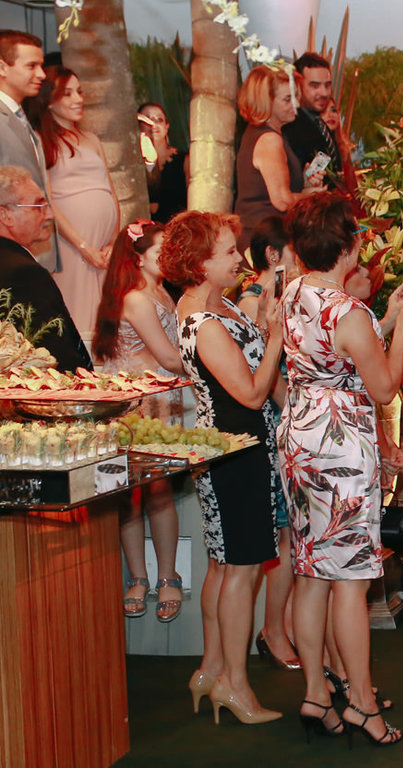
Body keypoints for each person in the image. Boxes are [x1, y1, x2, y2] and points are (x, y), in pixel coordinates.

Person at [280, 192, 403, 745]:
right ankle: (362, 703)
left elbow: (338, 353)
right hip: (340, 445)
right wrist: (402, 328)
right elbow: (384, 385)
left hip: (300, 434)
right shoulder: (349, 310)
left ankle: (317, 693)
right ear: (347, 246)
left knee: (312, 570)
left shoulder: (293, 291)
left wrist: (383, 320)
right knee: (352, 578)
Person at [161, 210, 283, 725]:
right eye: (229, 251)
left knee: (224, 565)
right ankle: (234, 684)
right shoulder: (203, 321)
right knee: (241, 569)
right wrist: (275, 335)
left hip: (236, 448)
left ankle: (211, 670)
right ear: (200, 263)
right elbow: (252, 394)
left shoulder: (217, 304)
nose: (239, 257)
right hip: (236, 452)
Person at [93, 219, 185, 623]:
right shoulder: (136, 298)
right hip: (137, 407)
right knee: (129, 494)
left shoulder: (161, 290)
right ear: (138, 257)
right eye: (162, 250)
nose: (170, 257)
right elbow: (169, 358)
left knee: (159, 491)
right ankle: (138, 576)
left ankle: (168, 576)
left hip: (162, 402)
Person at [234, 216, 301, 672]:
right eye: (294, 251)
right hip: (273, 421)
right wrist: (297, 409)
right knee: (283, 536)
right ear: (273, 255)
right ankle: (273, 630)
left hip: (286, 417)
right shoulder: (252, 300)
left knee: (291, 535)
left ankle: (284, 625)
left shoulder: (281, 296)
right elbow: (263, 371)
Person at [26, 66, 119, 343]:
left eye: (79, 92)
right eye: (67, 93)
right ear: (48, 100)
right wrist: (83, 246)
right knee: (77, 313)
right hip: (70, 245)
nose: (78, 99)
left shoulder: (92, 139)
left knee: (105, 317)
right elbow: (47, 199)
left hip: (104, 248)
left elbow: (111, 191)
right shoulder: (40, 141)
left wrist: (113, 240)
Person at [0, 165, 91, 371]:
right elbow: (56, 356)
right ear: (5, 215)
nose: (50, 214)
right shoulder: (24, 274)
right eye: (38, 206)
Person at [234, 64, 318, 249]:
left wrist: (305, 182)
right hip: (265, 242)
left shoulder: (264, 133)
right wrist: (312, 196)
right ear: (266, 102)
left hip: (264, 237)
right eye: (287, 99)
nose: (296, 104)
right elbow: (282, 201)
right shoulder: (270, 139)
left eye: (296, 96)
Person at [0, 30, 54, 269]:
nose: (41, 74)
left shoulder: (21, 117)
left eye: (41, 66)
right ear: (2, 68)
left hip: (29, 248)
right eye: (31, 66)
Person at [282, 53, 342, 191]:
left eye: (327, 85)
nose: (324, 93)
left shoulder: (319, 123)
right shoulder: (290, 126)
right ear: (297, 86)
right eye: (315, 86)